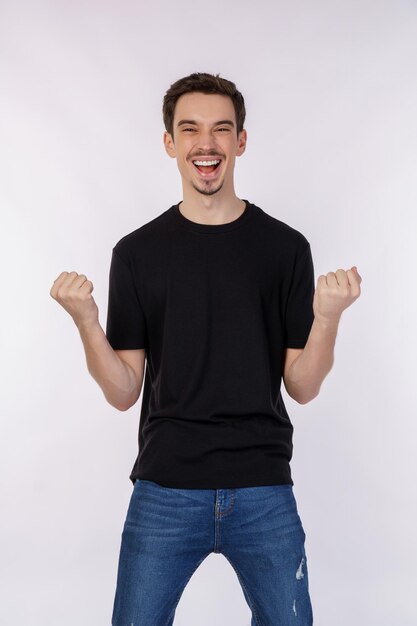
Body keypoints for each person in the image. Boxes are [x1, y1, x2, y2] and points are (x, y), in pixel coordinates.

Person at [50, 72, 362, 626]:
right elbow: (124, 392)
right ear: (170, 142)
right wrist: (86, 323)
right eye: (189, 129)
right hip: (165, 488)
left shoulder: (285, 249)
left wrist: (328, 318)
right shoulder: (137, 254)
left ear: (241, 140)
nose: (207, 143)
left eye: (222, 129)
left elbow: (303, 386)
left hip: (264, 485)